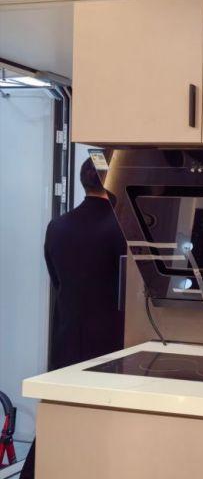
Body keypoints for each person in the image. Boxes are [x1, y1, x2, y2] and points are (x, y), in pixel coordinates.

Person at [20, 159, 126, 479]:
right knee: (102, 423)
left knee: (62, 416)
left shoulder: (58, 226)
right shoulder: (122, 228)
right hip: (111, 341)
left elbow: (57, 280)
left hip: (67, 336)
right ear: (113, 183)